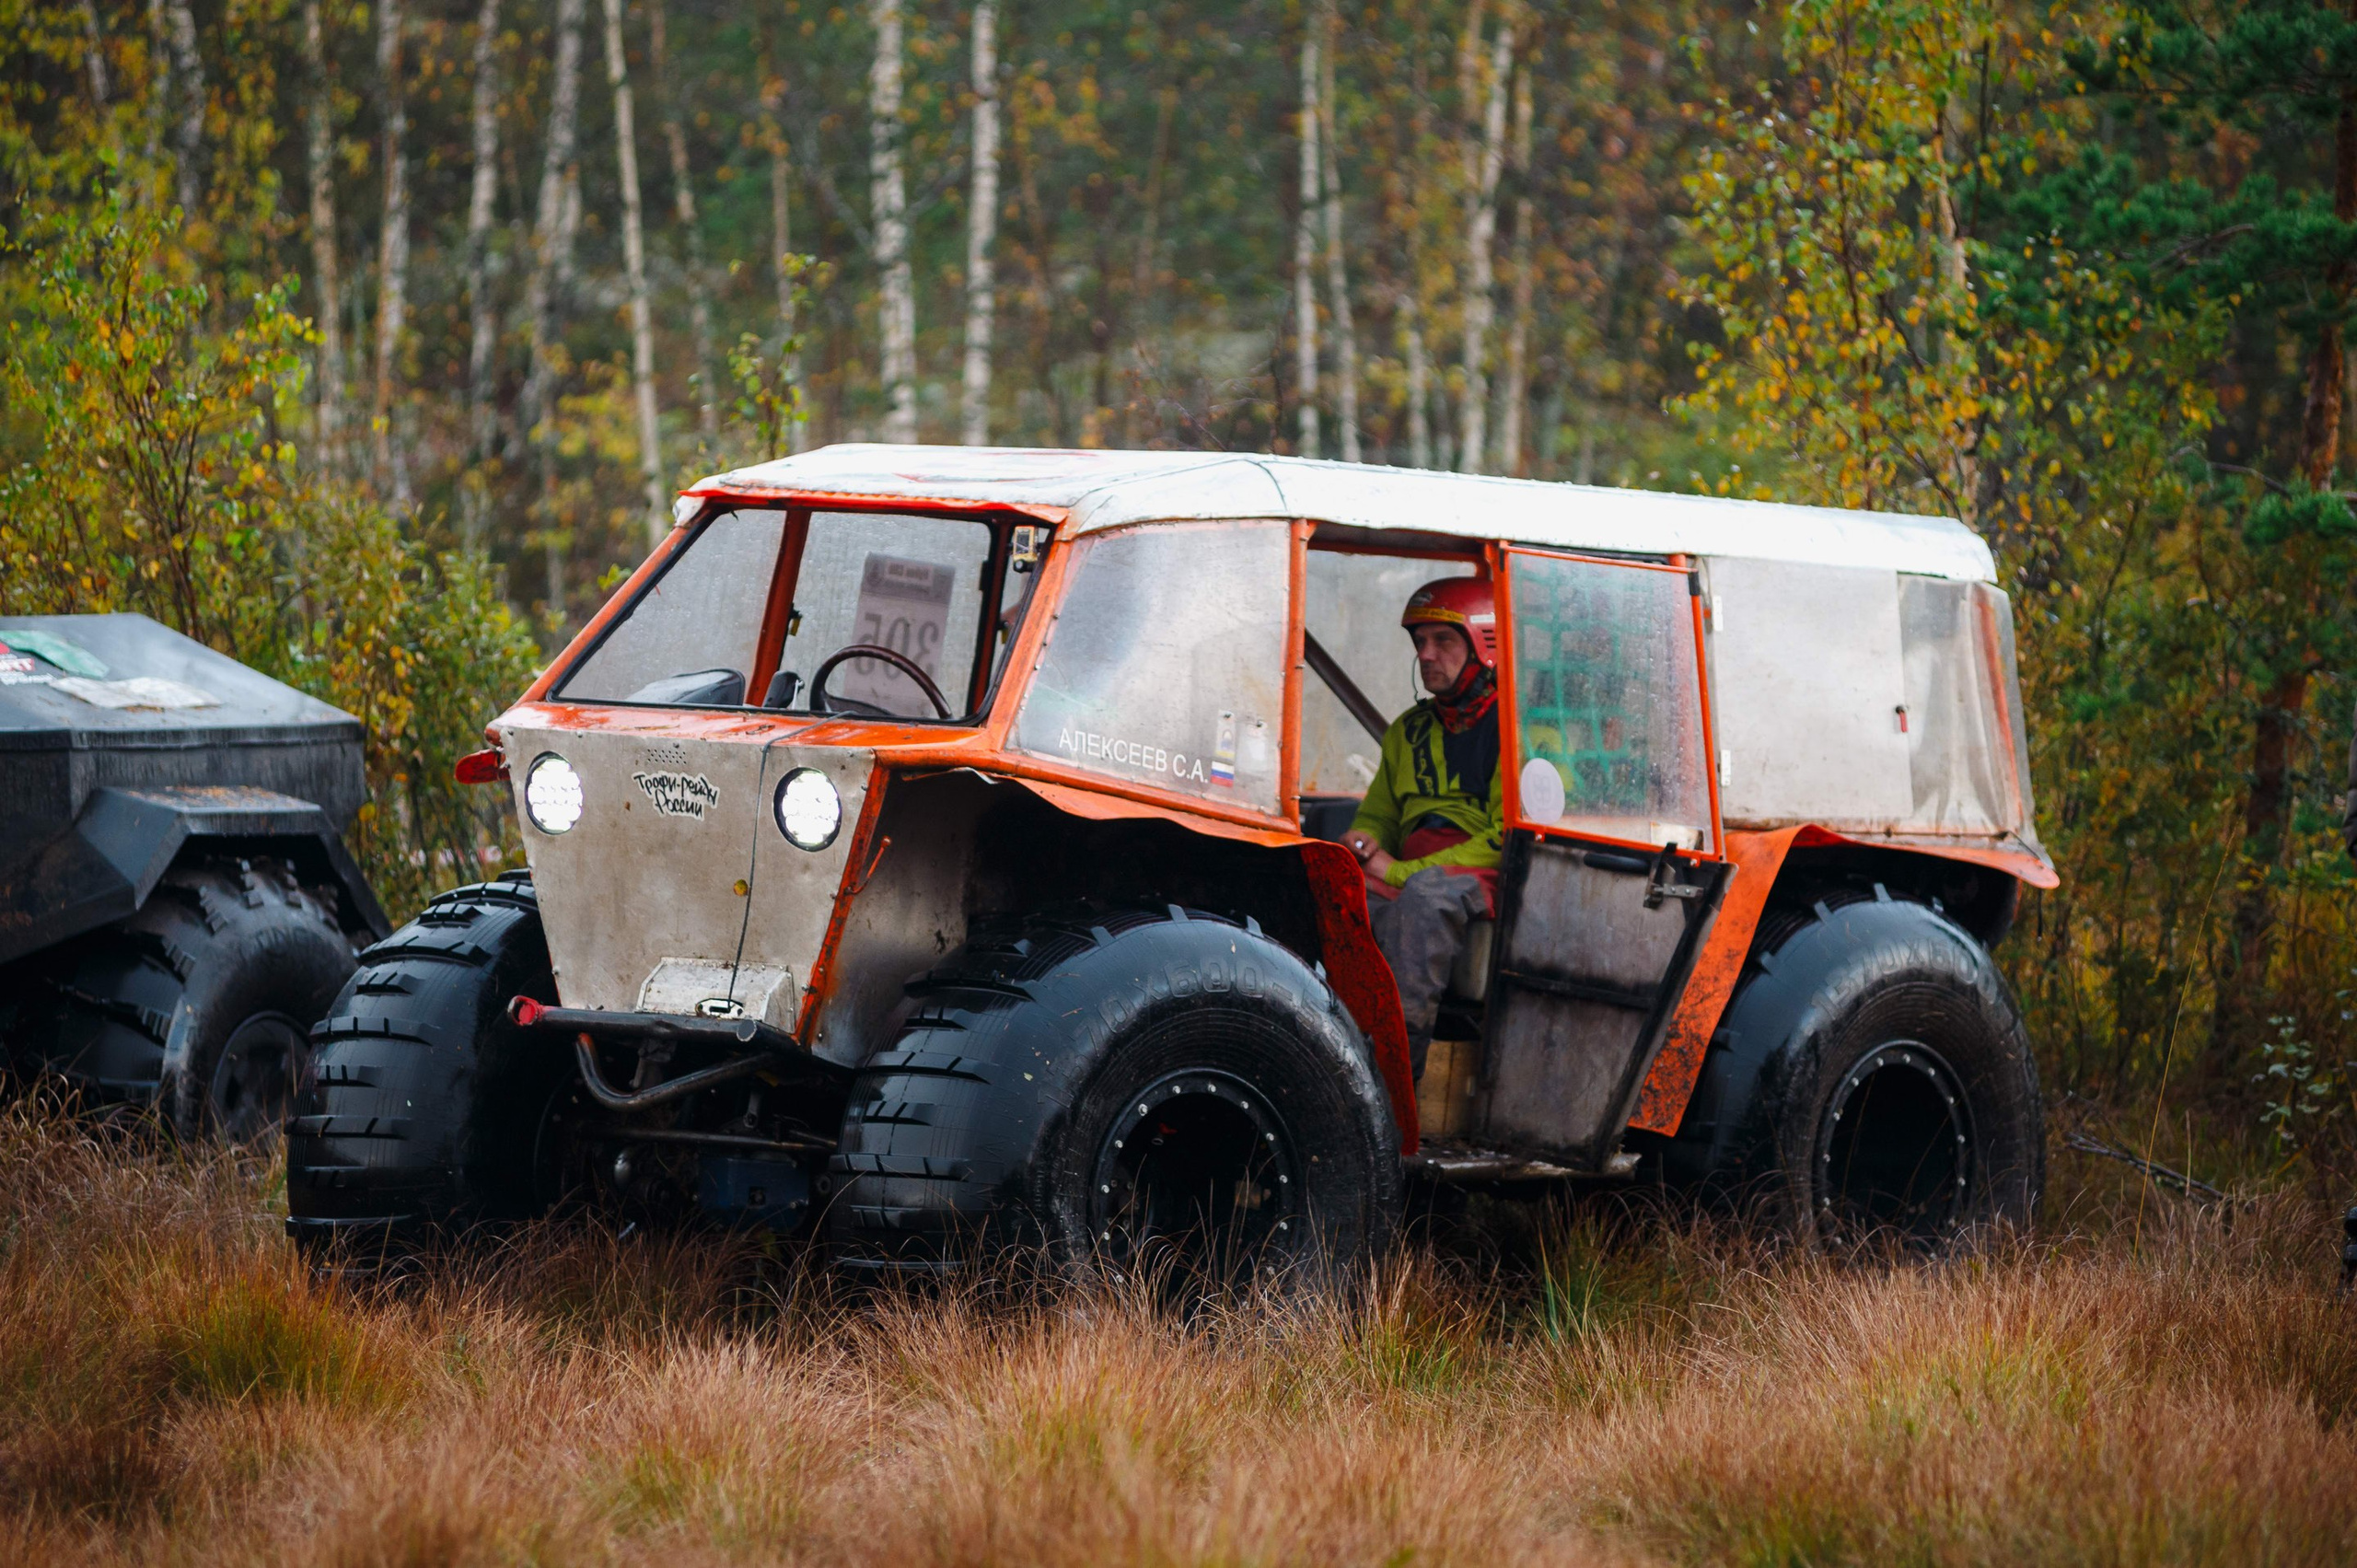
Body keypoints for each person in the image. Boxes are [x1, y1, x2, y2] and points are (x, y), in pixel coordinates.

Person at [1341, 576, 1506, 1082]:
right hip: (1412, 871)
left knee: (1423, 898)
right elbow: (1380, 817)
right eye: (1420, 642)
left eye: (1444, 640)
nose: (1426, 654)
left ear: (1484, 645)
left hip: (1479, 875)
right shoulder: (1406, 732)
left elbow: (1504, 839)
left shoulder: (1519, 730)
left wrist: (1402, 872)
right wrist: (1360, 841)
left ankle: (1393, 1091)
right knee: (1329, 886)